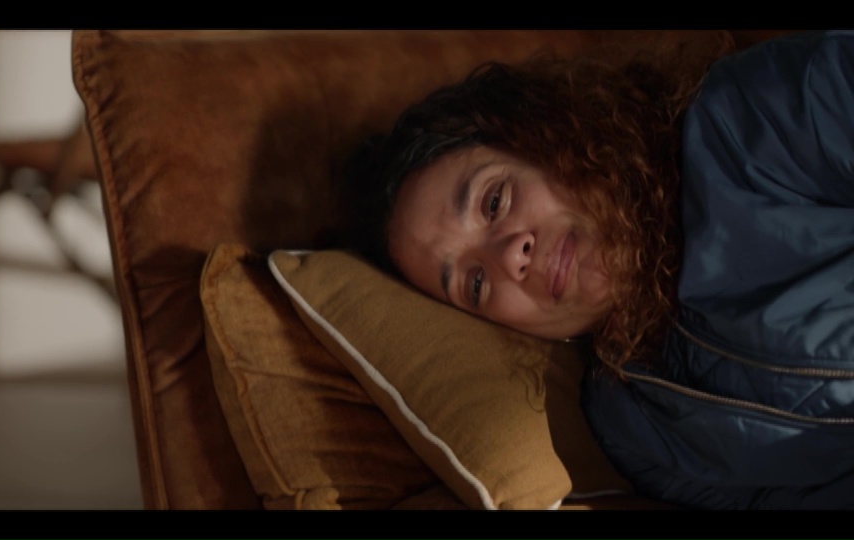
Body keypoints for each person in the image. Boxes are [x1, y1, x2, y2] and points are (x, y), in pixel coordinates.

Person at [341, 30, 854, 510]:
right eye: (475, 283)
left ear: (542, 133)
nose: (510, 255)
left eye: (494, 201)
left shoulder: (748, 119)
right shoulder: (638, 429)